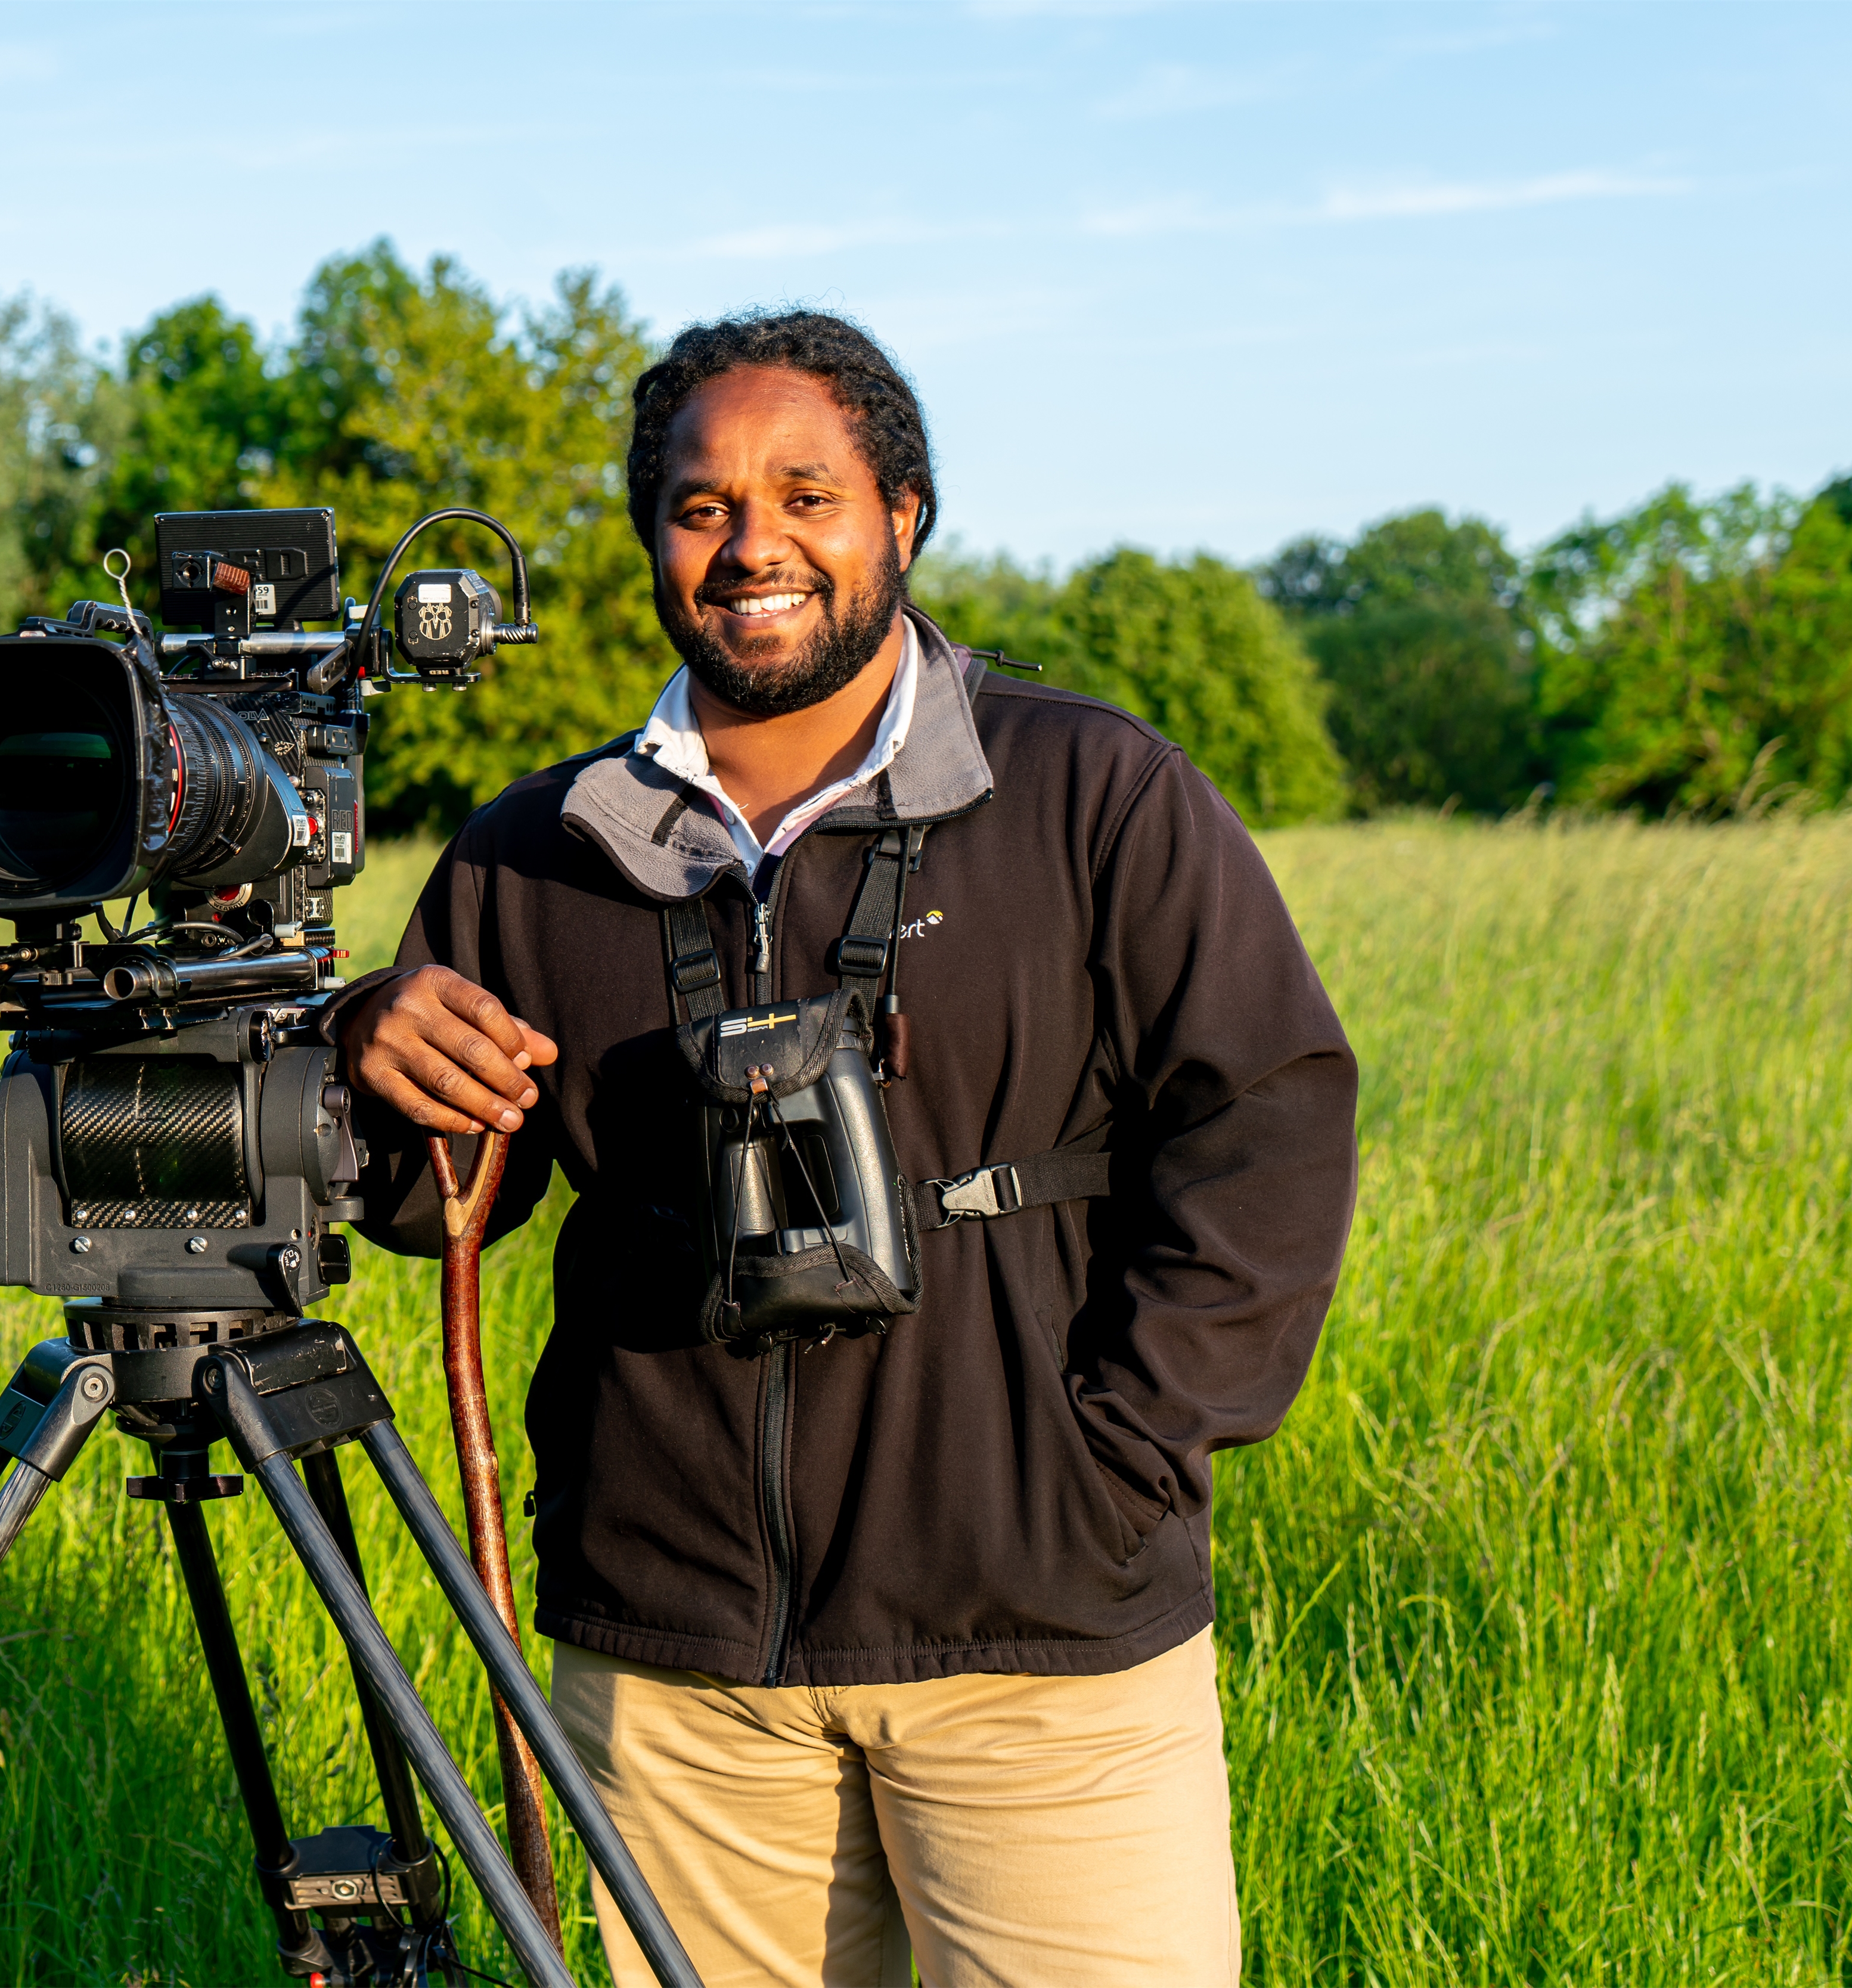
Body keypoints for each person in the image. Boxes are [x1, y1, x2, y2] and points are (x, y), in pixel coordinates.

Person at [330, 311, 1357, 1987]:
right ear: (653, 540)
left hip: (1039, 1638)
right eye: (700, 505)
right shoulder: (539, 852)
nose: (753, 548)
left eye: (806, 495)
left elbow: (1268, 1114)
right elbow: (427, 1203)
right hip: (677, 1673)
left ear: (903, 513)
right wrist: (366, 1044)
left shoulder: (1091, 790)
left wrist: (1127, 1456)